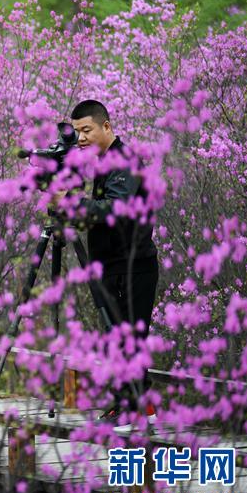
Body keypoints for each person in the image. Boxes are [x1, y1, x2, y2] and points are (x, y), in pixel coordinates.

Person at [55, 100, 159, 423]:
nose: (81, 138)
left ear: (107, 127)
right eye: (77, 132)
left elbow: (115, 209)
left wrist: (74, 205)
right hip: (114, 266)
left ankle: (131, 410)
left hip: (133, 267)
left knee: (127, 341)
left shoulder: (123, 162)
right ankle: (141, 407)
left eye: (87, 130)